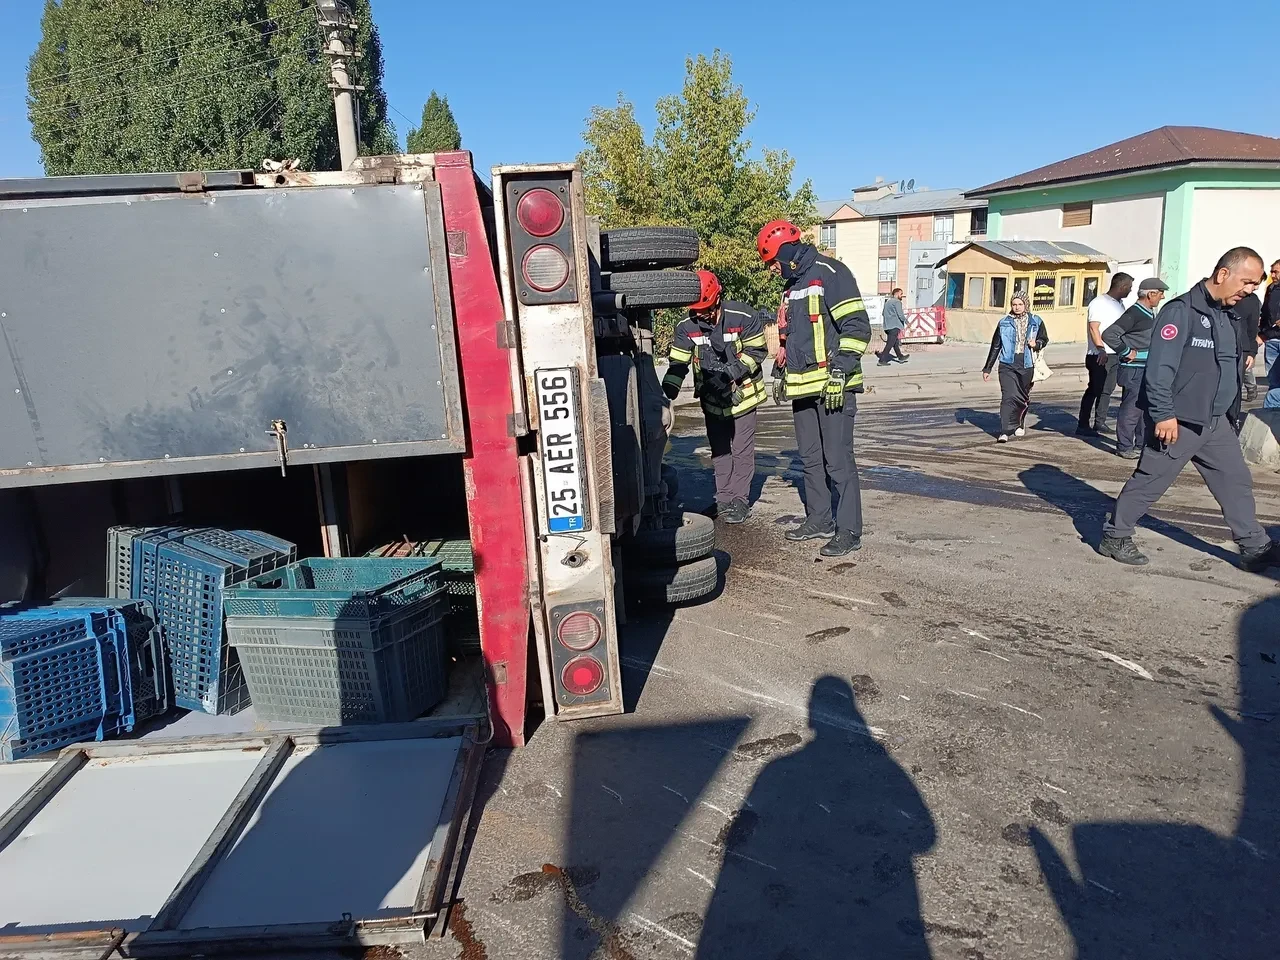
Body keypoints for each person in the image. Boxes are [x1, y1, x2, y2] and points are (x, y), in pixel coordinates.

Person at [1100, 247, 1280, 569]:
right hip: (1179, 420)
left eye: (1255, 284)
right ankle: (1116, 535)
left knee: (1235, 480)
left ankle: (1255, 547)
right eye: (1247, 282)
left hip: (1215, 421)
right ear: (1223, 274)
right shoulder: (1180, 311)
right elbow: (1159, 369)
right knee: (1151, 480)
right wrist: (1163, 414)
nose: (1251, 290)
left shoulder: (1226, 315)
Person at [757, 219, 871, 557]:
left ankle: (849, 531)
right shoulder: (792, 287)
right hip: (803, 388)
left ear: (786, 253)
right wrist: (781, 371)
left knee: (838, 461)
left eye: (772, 261)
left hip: (834, 387)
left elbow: (857, 326)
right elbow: (792, 338)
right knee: (810, 458)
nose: (772, 268)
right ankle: (819, 519)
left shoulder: (831, 273)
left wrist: (839, 371)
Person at [663, 270, 769, 524]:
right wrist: (667, 391)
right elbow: (678, 363)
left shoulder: (743, 316)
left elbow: (757, 351)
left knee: (741, 450)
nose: (701, 315)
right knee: (720, 451)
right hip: (712, 399)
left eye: (706, 310)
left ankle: (740, 500)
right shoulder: (686, 327)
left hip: (743, 395)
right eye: (696, 310)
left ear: (717, 299)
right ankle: (724, 500)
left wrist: (730, 375)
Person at [1102, 277, 1169, 458]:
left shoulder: (1148, 313)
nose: (1162, 297)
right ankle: (1124, 446)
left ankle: (1141, 444)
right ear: (1150, 294)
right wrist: (1126, 351)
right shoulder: (1135, 313)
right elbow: (1109, 334)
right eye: (1160, 293)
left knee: (1143, 409)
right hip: (1134, 369)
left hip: (1145, 368)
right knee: (1131, 410)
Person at [981, 291, 1048, 442]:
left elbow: (1044, 339)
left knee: (1022, 397)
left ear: (1026, 304)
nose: (1017, 307)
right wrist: (987, 368)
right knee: (1008, 397)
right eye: (1014, 304)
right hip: (1007, 364)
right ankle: (1005, 431)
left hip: (1027, 364)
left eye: (1020, 304)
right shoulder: (1004, 323)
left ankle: (1019, 423)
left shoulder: (1036, 321)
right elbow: (996, 346)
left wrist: (1036, 344)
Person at [1077, 272, 1133, 436]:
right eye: (1129, 287)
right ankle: (1082, 424)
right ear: (1122, 286)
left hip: (1115, 354)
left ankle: (1099, 422)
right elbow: (1094, 327)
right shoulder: (1099, 303)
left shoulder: (1120, 304)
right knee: (1095, 389)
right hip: (1099, 354)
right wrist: (1100, 348)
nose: (1130, 290)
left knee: (1107, 390)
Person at [1260, 259, 1280, 408]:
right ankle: (1273, 413)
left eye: (1276, 272)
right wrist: (1261, 333)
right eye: (1272, 271)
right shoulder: (1271, 288)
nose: (1272, 275)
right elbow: (1265, 311)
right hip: (1271, 339)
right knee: (1273, 381)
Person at [877, 287, 909, 365]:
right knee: (890, 344)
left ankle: (900, 357)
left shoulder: (888, 302)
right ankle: (882, 360)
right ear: (897, 294)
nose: (902, 296)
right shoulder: (897, 302)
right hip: (894, 326)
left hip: (887, 326)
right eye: (901, 294)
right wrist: (908, 323)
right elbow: (900, 315)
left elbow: (883, 313)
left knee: (895, 343)